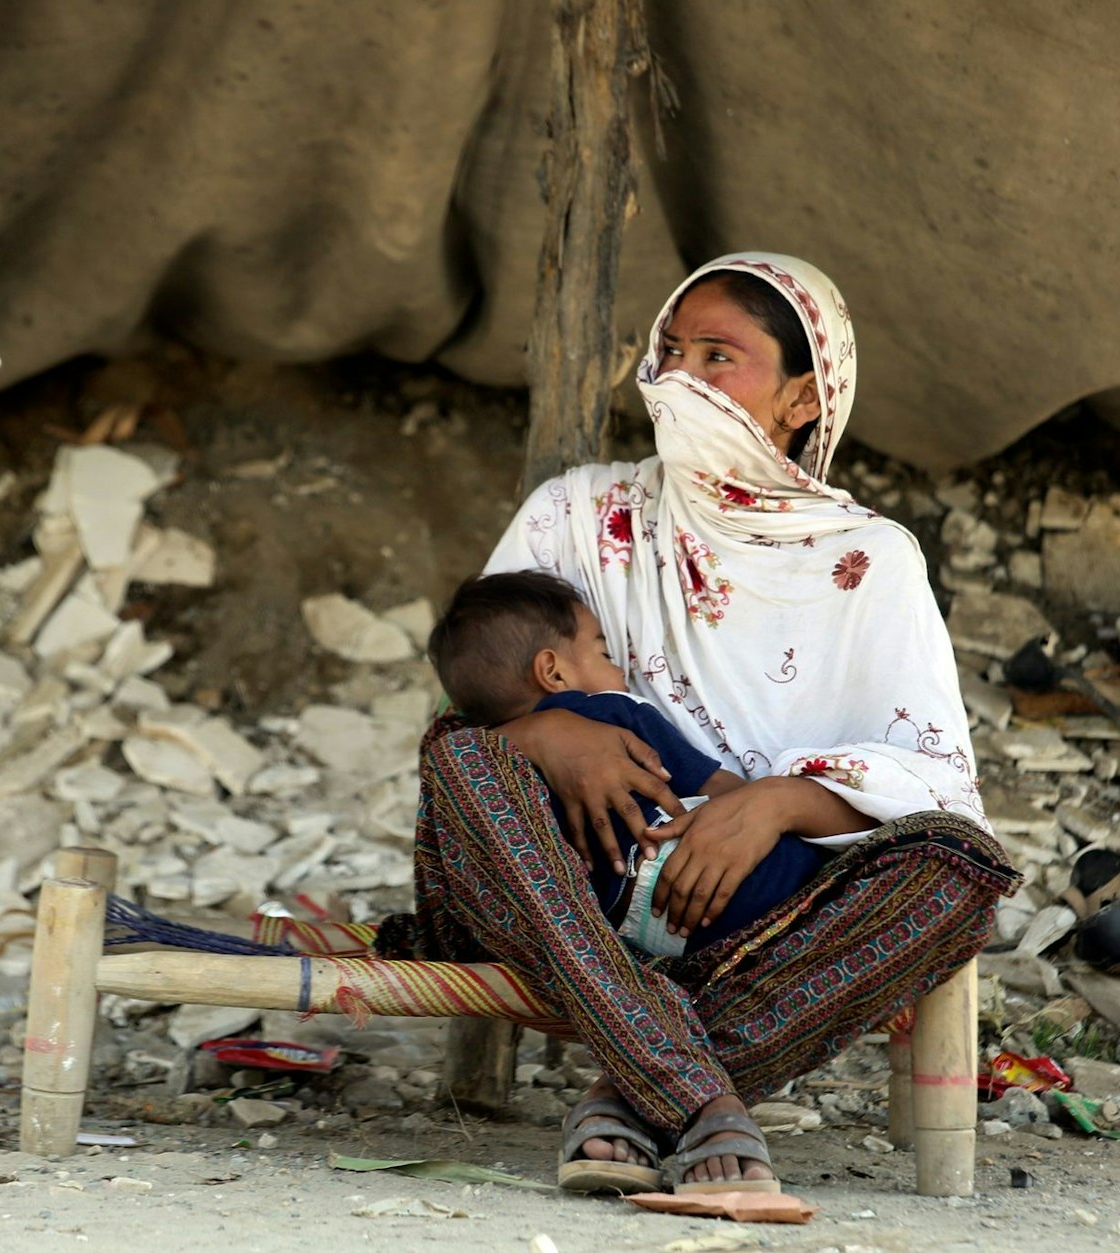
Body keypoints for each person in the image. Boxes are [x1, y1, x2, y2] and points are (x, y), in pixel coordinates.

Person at [376, 253, 1018, 1196]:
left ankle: (632, 1099)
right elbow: (454, 735)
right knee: (475, 769)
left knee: (961, 870)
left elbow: (939, 784)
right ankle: (695, 1096)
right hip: (559, 890)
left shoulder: (869, 561)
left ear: (802, 398)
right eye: (670, 350)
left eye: (720, 356)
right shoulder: (578, 515)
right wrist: (544, 736)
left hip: (757, 920)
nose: (681, 377)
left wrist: (777, 806)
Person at [425, 569, 832, 957]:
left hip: (643, 933)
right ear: (552, 671)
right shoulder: (617, 713)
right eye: (603, 653)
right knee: (820, 857)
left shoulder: (500, 775)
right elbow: (720, 788)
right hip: (737, 887)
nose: (621, 670)